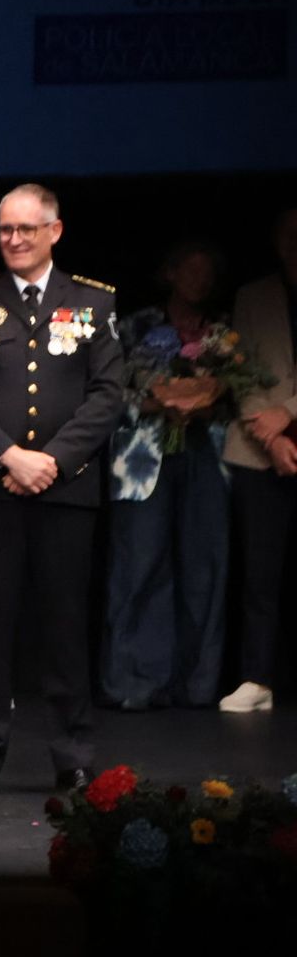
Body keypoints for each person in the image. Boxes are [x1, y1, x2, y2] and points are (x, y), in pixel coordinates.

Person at [0, 184, 123, 798]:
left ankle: (72, 754)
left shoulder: (93, 302)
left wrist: (53, 460)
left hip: (64, 492)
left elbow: (107, 396)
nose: (13, 240)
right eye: (5, 230)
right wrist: (11, 457)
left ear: (55, 231)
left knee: (65, 626)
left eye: (26, 229)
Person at [103, 242, 232, 710]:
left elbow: (241, 389)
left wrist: (203, 403)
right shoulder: (136, 324)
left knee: (204, 569)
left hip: (205, 455)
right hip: (143, 458)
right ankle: (135, 683)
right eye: (192, 269)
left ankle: (196, 684)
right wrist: (159, 404)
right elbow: (107, 390)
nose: (201, 280)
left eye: (208, 271)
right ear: (170, 273)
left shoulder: (222, 332)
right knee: (140, 565)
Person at [219, 204, 297, 713]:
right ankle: (257, 679)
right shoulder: (253, 295)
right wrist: (271, 438)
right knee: (259, 574)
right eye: (289, 233)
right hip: (258, 451)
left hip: (283, 433)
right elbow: (238, 371)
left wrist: (287, 416)